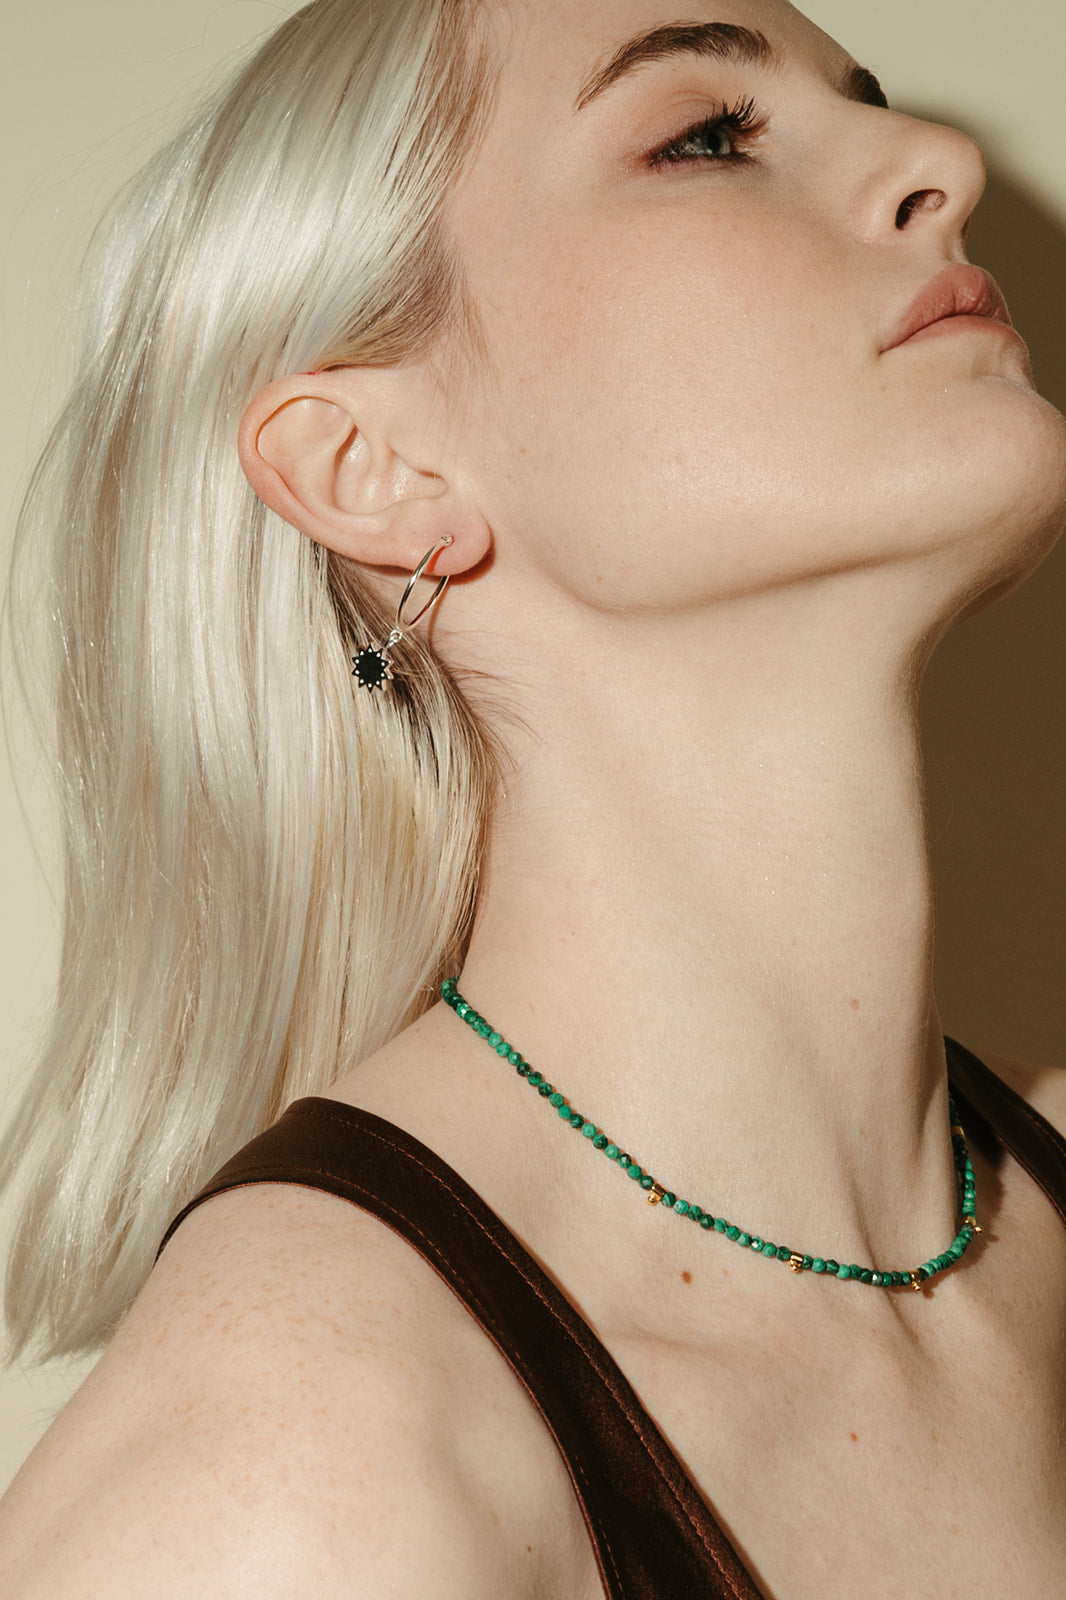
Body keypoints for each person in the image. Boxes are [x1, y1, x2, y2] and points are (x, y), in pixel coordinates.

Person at [1, 0, 1064, 1593]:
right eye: (704, 135)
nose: (940, 160)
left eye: (873, 99)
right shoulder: (296, 1478)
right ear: (376, 469)